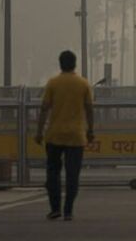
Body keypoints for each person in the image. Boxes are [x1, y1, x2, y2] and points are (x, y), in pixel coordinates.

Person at [33, 50, 94, 220]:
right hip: (76, 136)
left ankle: (55, 208)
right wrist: (91, 130)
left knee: (53, 172)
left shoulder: (53, 83)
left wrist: (39, 132)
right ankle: (68, 210)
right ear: (74, 64)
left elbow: (44, 109)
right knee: (72, 174)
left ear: (60, 64)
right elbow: (89, 109)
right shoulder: (83, 84)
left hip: (54, 135)